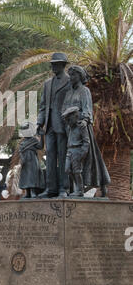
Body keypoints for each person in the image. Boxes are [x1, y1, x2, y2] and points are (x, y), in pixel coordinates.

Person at [62, 65, 111, 196]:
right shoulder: (68, 93)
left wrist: (84, 120)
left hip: (83, 127)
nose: (71, 77)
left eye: (73, 75)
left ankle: (101, 184)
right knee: (71, 166)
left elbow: (87, 108)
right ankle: (78, 189)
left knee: (91, 160)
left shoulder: (84, 91)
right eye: (70, 75)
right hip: (70, 129)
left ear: (80, 76)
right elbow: (64, 109)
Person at [36, 52, 71, 197]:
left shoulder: (70, 81)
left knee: (63, 157)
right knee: (50, 156)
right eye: (52, 64)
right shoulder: (47, 83)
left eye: (55, 64)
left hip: (63, 125)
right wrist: (40, 122)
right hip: (49, 125)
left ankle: (64, 188)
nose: (53, 66)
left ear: (63, 65)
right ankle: (50, 188)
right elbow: (43, 105)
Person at [62, 106, 90, 197]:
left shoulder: (81, 127)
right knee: (67, 169)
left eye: (69, 119)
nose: (67, 122)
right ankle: (77, 188)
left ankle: (80, 190)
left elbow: (86, 141)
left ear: (75, 117)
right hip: (69, 150)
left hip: (77, 150)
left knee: (77, 171)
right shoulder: (70, 127)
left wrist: (83, 153)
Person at [18, 122, 45, 198]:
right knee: (26, 176)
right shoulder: (22, 142)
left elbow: (40, 146)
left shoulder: (34, 140)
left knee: (33, 175)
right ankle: (28, 192)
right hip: (25, 160)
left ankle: (33, 191)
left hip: (32, 159)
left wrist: (42, 136)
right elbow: (20, 152)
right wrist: (22, 159)